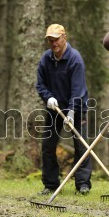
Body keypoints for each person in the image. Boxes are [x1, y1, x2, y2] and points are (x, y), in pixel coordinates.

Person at [36, 24, 92, 195]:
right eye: (50, 40)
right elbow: (40, 84)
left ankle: (83, 184)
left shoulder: (75, 59)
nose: (54, 43)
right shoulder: (46, 59)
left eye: (56, 39)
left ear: (64, 38)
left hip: (77, 108)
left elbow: (78, 90)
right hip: (55, 109)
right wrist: (48, 97)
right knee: (47, 145)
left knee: (81, 145)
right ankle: (51, 184)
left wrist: (71, 112)